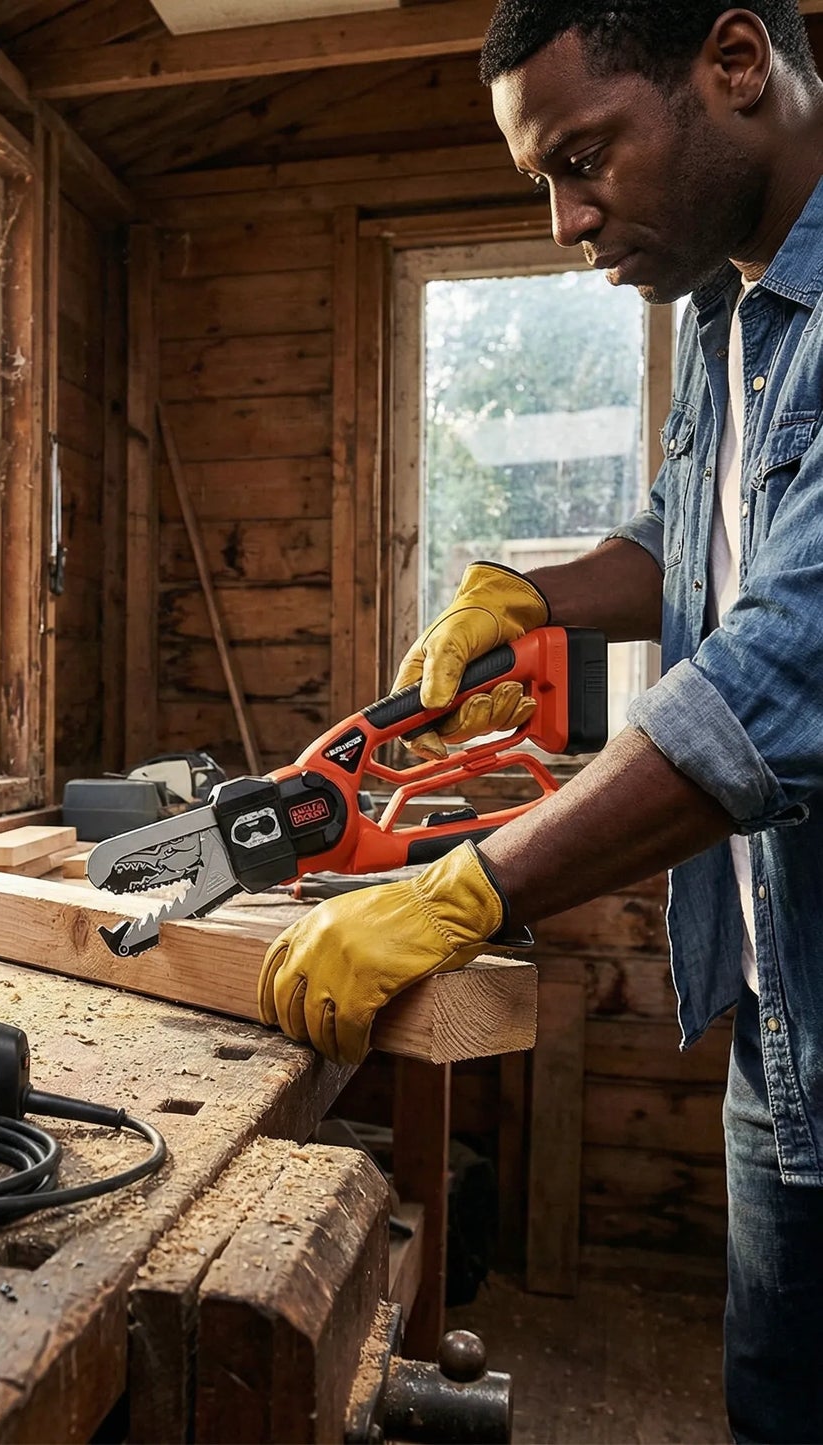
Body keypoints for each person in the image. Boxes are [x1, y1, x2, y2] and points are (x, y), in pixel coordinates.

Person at [254, 3, 823, 1438]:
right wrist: (534, 595)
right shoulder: (726, 309)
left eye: (582, 158)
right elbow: (691, 541)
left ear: (734, 66)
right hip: (783, 1013)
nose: (567, 221)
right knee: (774, 1402)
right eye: (539, 183)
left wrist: (462, 888)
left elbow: (781, 673)